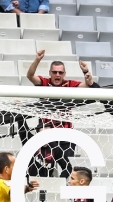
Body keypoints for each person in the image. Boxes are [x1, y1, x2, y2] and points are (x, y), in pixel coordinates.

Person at [26, 51, 94, 179]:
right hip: (47, 135)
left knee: (69, 168)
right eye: (54, 72)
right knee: (45, 169)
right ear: (50, 73)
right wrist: (37, 60)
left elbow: (87, 85)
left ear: (64, 74)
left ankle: (61, 186)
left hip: (66, 135)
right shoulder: (44, 83)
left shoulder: (69, 85)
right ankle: (49, 188)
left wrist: (86, 72)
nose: (57, 75)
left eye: (60, 72)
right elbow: (30, 76)